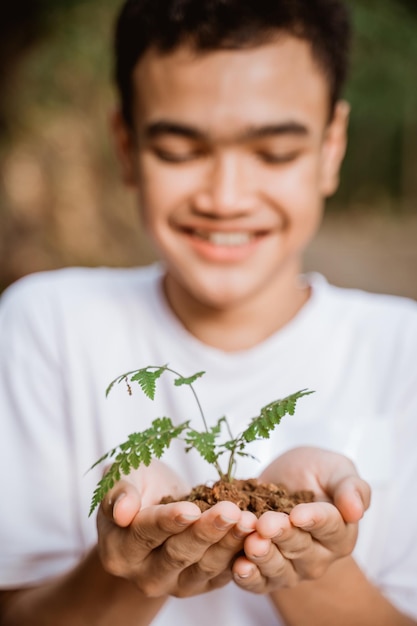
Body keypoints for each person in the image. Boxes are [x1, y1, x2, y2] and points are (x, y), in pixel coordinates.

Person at [0, 0, 416, 624]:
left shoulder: (403, 351)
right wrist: (131, 568)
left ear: (332, 149)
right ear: (126, 145)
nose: (225, 198)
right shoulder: (46, 324)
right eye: (179, 151)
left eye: (274, 153)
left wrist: (307, 562)